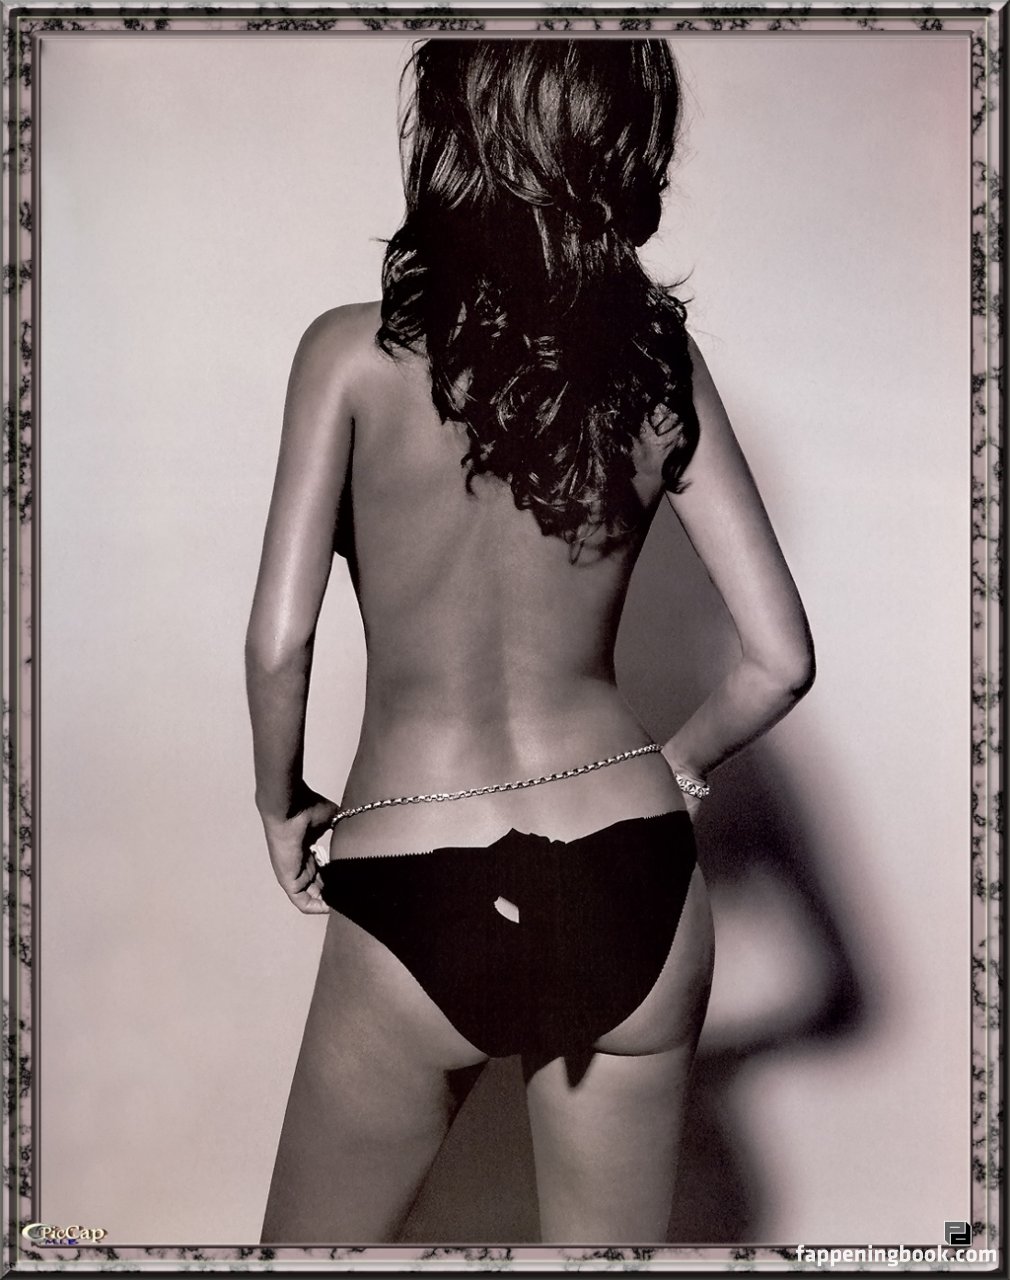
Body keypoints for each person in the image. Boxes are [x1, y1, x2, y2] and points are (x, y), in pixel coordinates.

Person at [245, 37, 814, 1245]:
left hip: (413, 867)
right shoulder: (657, 365)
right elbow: (778, 659)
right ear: (624, 148)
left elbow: (280, 638)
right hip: (632, 869)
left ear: (449, 139)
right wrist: (674, 766)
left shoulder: (345, 354)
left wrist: (279, 799)